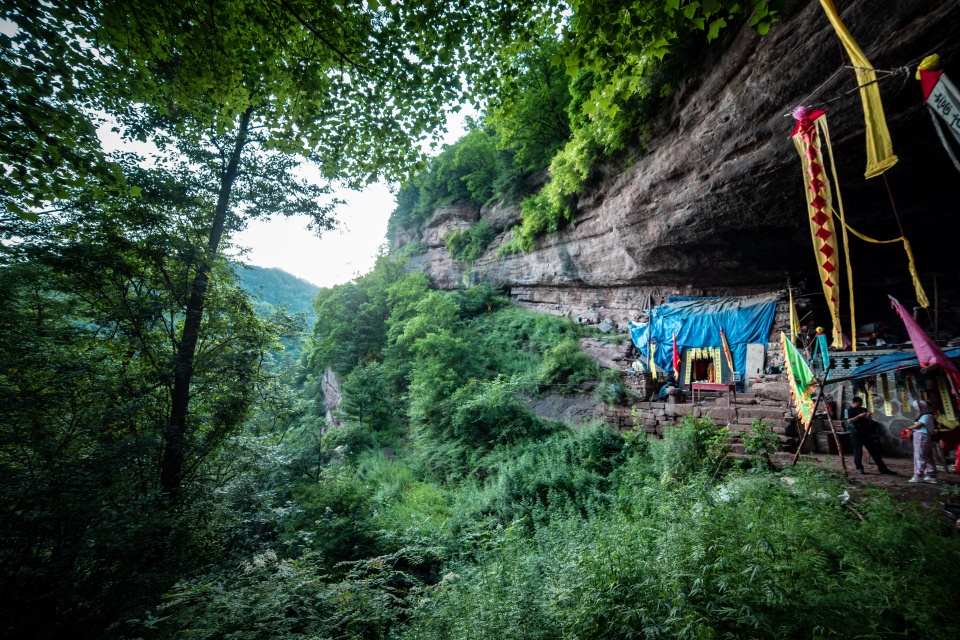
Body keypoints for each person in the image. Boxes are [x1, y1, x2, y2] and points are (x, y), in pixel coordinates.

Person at [844, 397, 897, 475]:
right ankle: (859, 468)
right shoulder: (848, 410)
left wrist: (868, 417)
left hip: (866, 432)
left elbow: (869, 420)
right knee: (857, 451)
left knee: (874, 451)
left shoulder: (863, 409)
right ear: (854, 402)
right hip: (855, 433)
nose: (860, 406)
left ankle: (882, 468)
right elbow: (849, 421)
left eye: (861, 404)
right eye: (858, 404)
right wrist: (859, 416)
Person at [907, 400, 938, 484]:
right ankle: (931, 475)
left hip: (921, 437)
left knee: (919, 456)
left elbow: (917, 426)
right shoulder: (930, 416)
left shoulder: (926, 416)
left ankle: (918, 475)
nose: (918, 409)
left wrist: (909, 428)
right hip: (925, 437)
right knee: (928, 456)